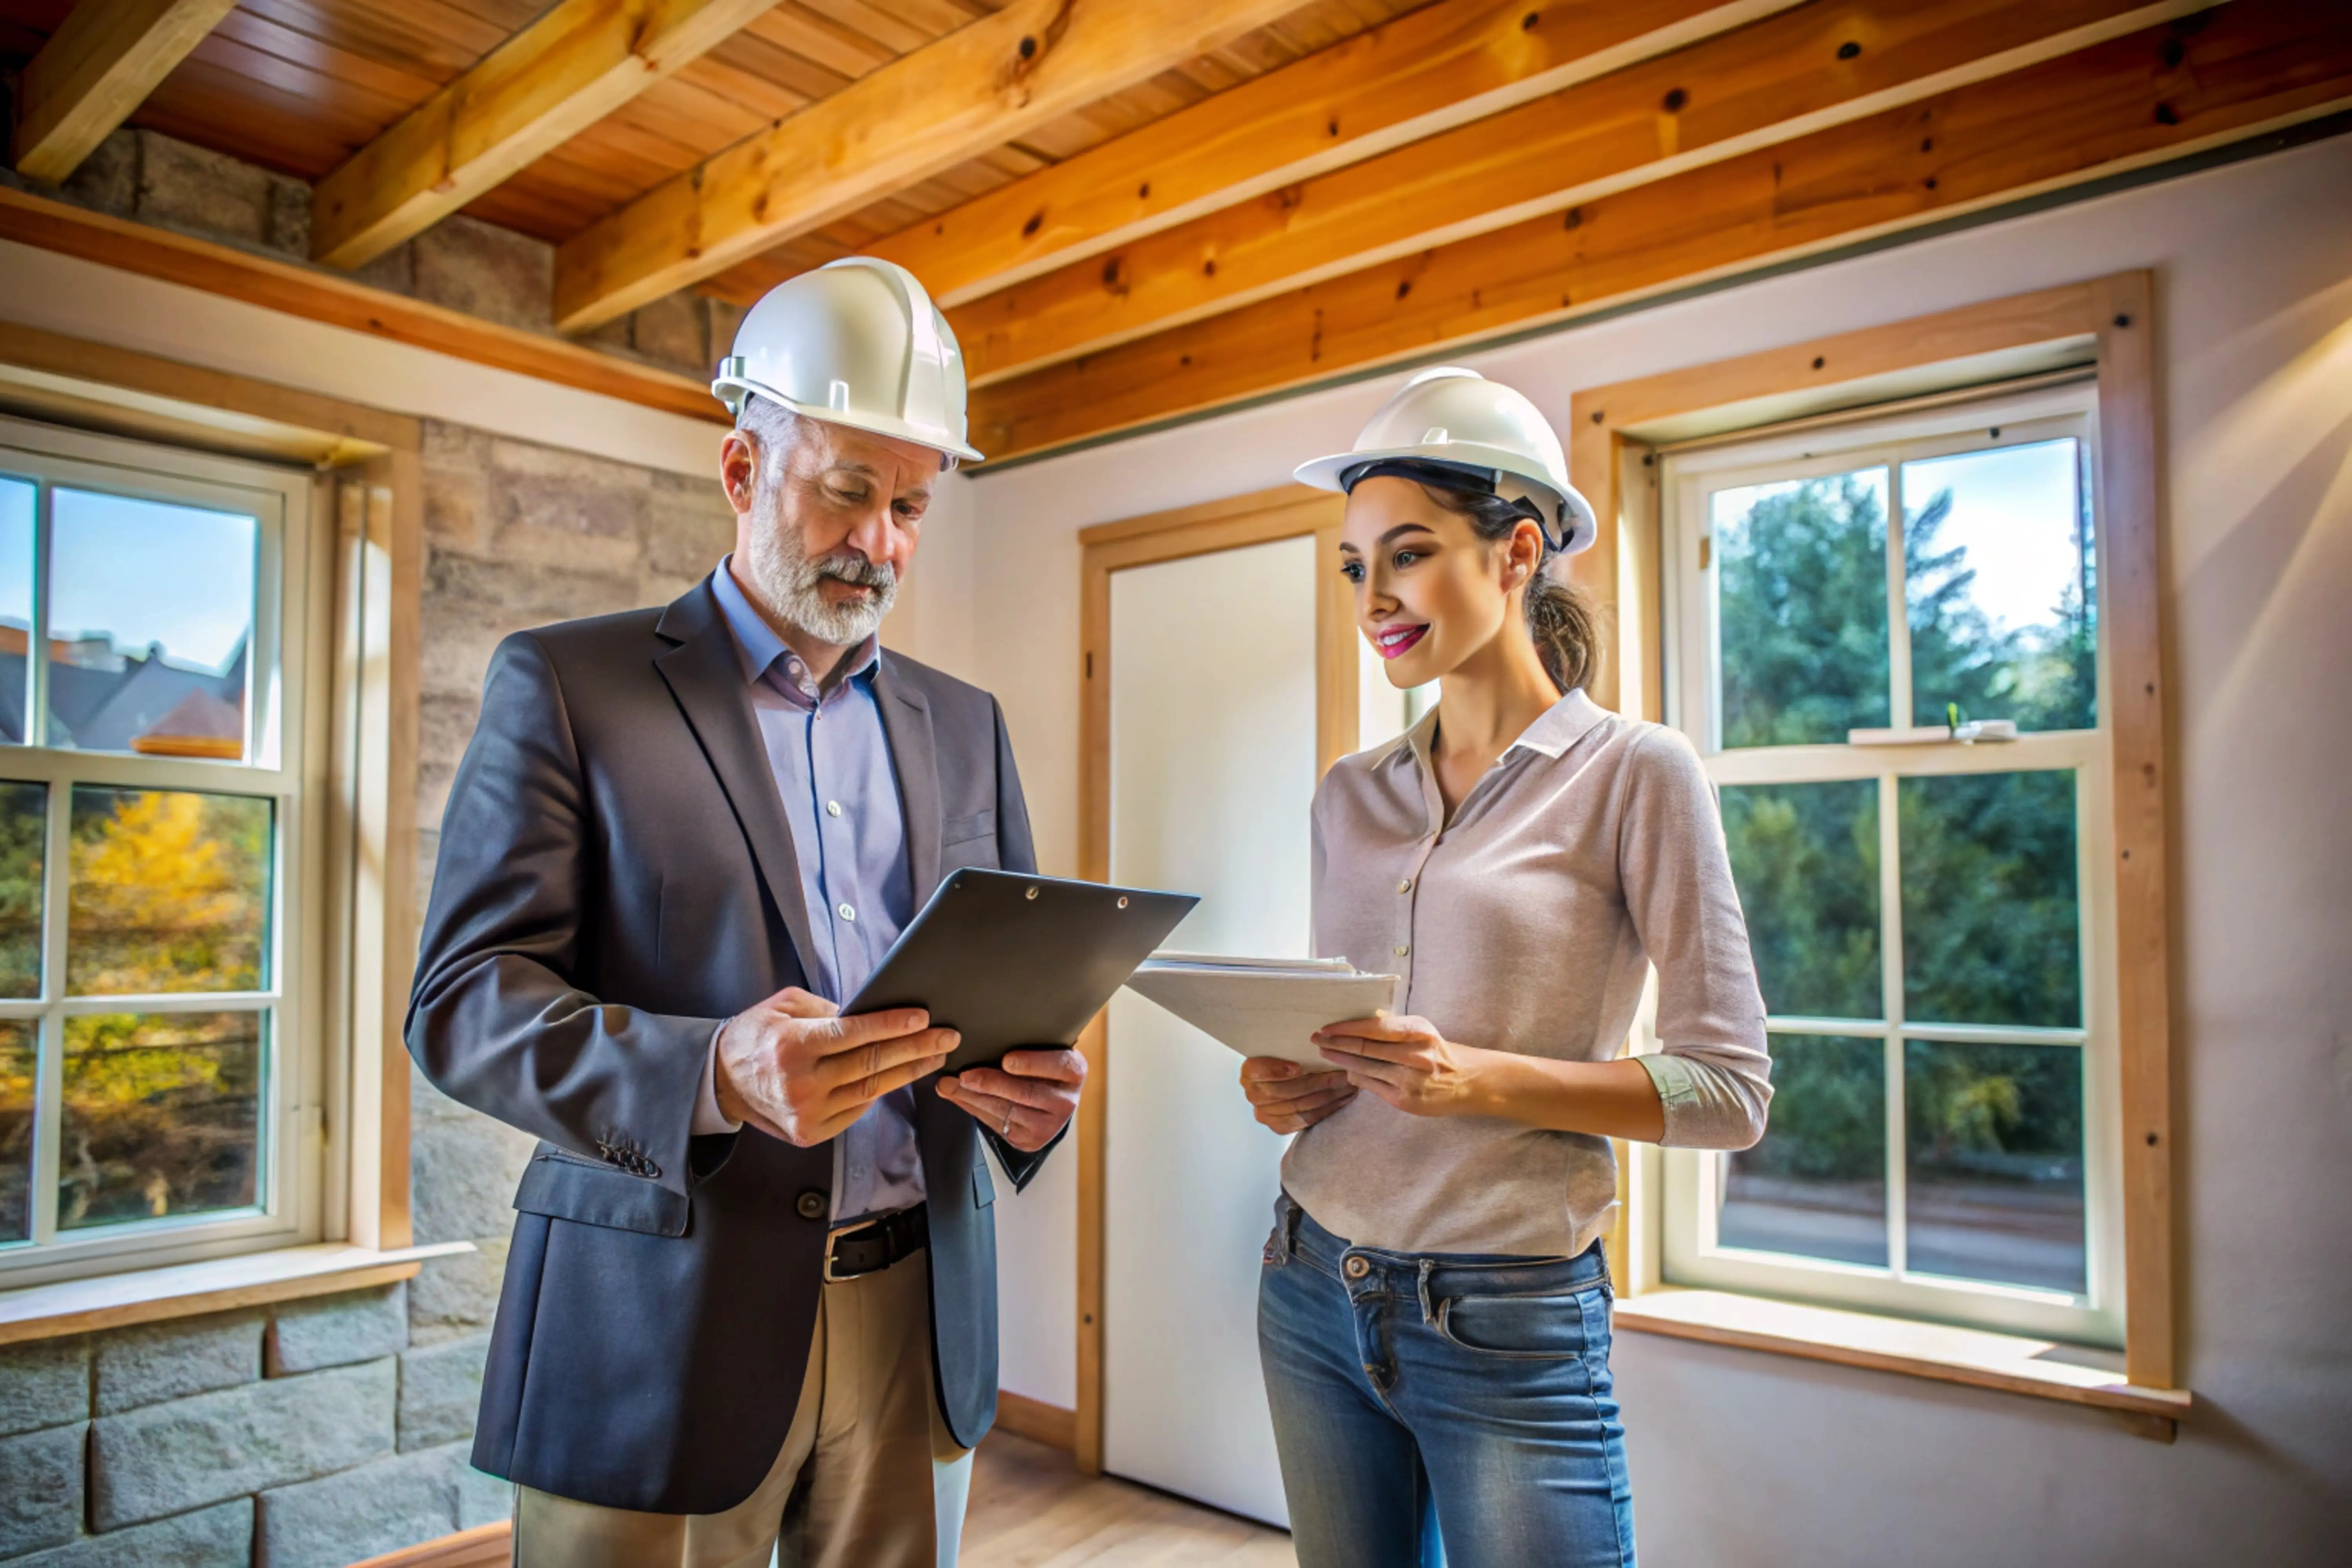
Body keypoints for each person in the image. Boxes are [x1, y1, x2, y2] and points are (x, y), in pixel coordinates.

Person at [407, 257, 1080, 1568]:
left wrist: (1030, 1094)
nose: (879, 541)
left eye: (910, 506)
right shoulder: (566, 685)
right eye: (845, 491)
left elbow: (1009, 990)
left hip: (916, 1313)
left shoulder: (967, 724)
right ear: (740, 470)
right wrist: (711, 1069)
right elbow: (464, 1002)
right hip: (657, 1320)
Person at [1239, 367, 1774, 1568]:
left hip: (1511, 1316)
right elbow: (1355, 1033)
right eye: (1355, 566)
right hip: (1309, 1279)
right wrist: (1294, 1082)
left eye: (1409, 554)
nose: (1374, 596)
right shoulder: (1348, 792)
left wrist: (1474, 1083)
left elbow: (1730, 1093)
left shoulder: (1638, 774)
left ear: (1518, 551)